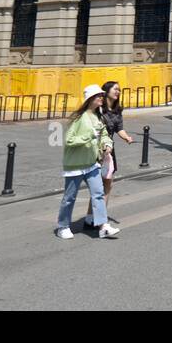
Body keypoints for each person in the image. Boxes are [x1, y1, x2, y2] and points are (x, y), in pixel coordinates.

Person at [56, 84, 117, 239]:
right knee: (69, 197)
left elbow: (103, 135)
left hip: (92, 163)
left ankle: (103, 226)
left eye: (102, 96)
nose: (101, 98)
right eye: (98, 96)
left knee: (98, 193)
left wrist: (107, 144)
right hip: (75, 165)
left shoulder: (98, 117)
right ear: (90, 99)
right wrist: (88, 137)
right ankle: (62, 226)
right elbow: (69, 140)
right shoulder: (78, 118)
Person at [90, 80, 134, 229]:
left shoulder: (117, 110)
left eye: (119, 90)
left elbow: (119, 128)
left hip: (109, 151)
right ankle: (93, 218)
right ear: (107, 91)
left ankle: (99, 217)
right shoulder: (98, 109)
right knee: (97, 185)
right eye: (115, 89)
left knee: (107, 184)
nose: (118, 92)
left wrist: (126, 137)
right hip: (96, 150)